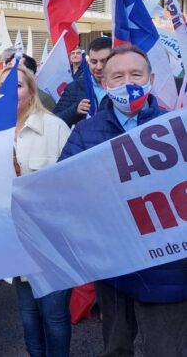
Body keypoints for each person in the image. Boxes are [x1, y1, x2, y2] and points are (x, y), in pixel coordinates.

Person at [59, 45, 187, 357]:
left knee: (166, 351)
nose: (127, 82)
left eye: (135, 74)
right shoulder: (85, 132)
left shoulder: (177, 130)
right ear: (104, 82)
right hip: (113, 267)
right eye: (117, 76)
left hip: (166, 268)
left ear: (151, 79)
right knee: (115, 349)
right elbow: (63, 191)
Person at [0, 63, 72, 356]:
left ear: (32, 90)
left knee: (54, 315)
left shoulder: (54, 127)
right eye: (1, 88)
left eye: (17, 86)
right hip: (14, 240)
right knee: (28, 315)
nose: (9, 93)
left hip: (52, 240)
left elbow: (71, 186)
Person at [53, 36, 112, 127]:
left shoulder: (124, 89)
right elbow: (54, 121)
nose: (99, 67)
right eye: (94, 62)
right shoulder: (74, 88)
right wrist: (75, 110)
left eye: (104, 61)